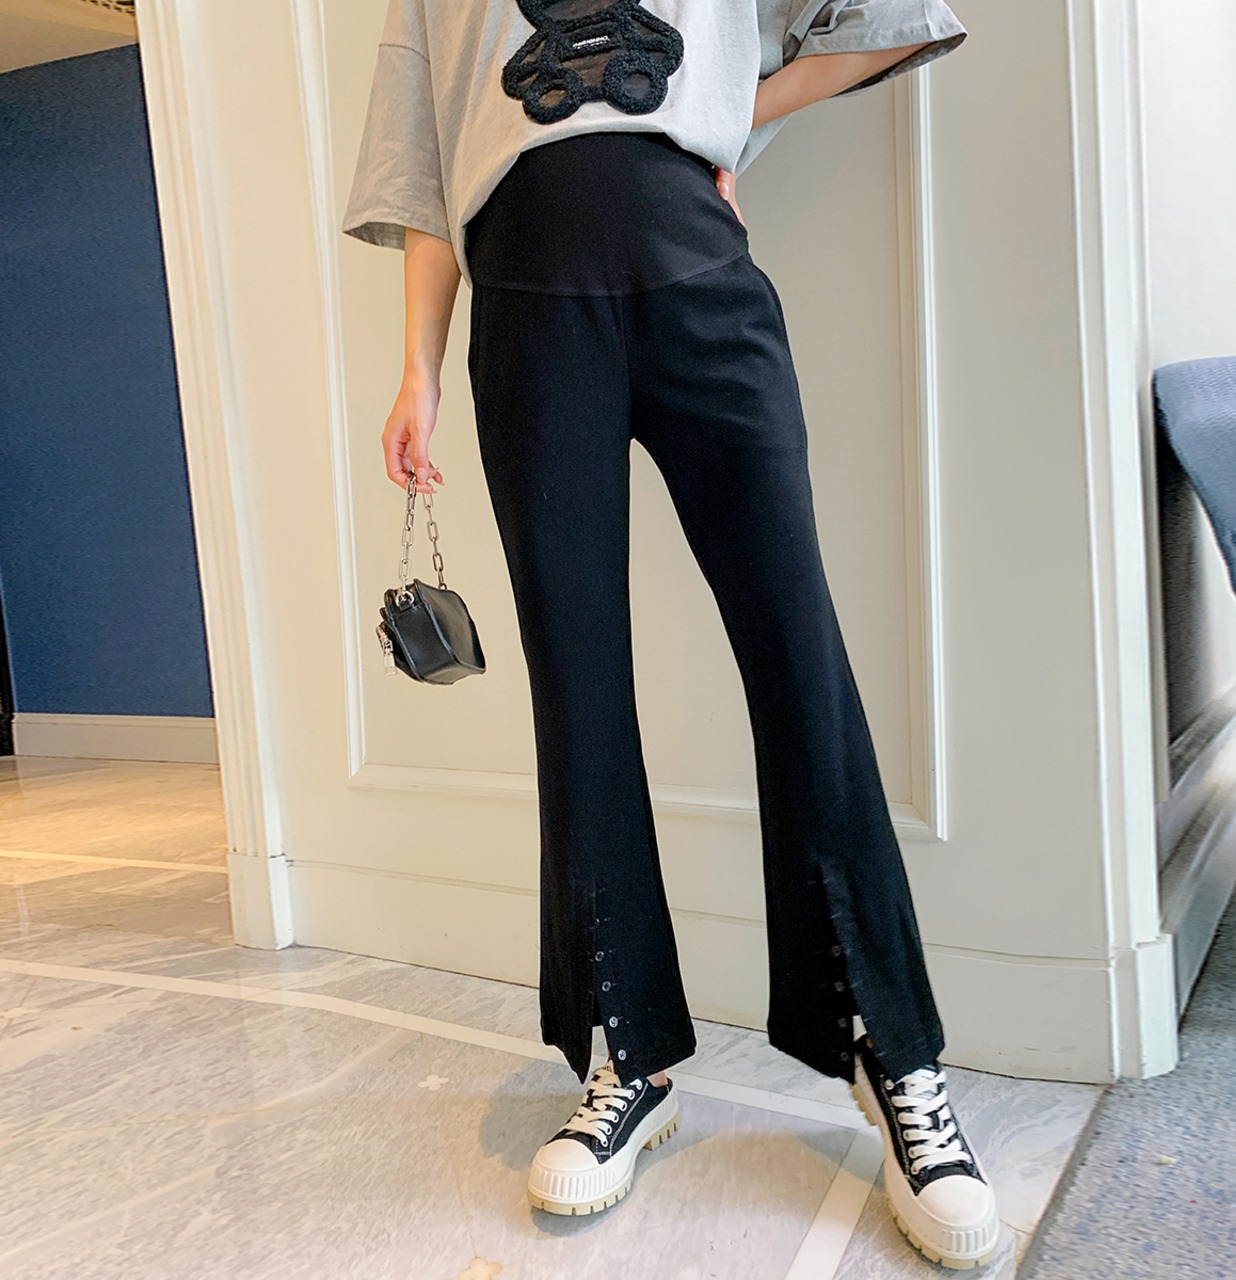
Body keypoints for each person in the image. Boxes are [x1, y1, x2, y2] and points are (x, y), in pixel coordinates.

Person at [343, 0, 999, 1267]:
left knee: (798, 662)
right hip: (525, 306)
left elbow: (890, 17)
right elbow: (425, 157)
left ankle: (891, 1052)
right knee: (576, 682)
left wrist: (728, 116)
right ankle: (627, 1052)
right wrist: (416, 365)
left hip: (697, 273)